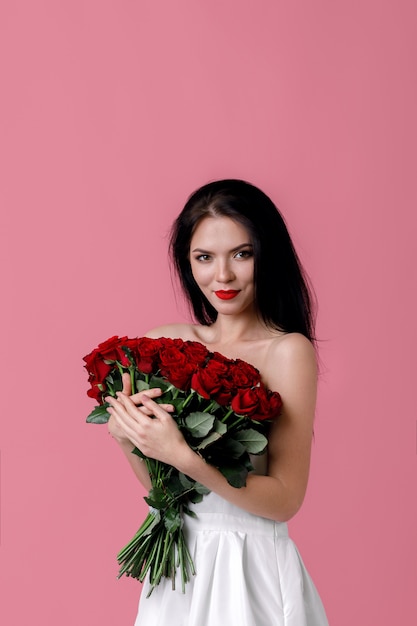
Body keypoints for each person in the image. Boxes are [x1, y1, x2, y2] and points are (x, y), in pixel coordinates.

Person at [106, 179, 329, 625]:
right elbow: (163, 494)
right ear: (187, 264)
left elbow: (285, 498)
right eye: (204, 258)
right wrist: (128, 438)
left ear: (268, 255)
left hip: (248, 567)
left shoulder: (287, 352)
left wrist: (184, 456)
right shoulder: (163, 344)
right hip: (178, 567)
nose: (222, 276)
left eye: (241, 254)